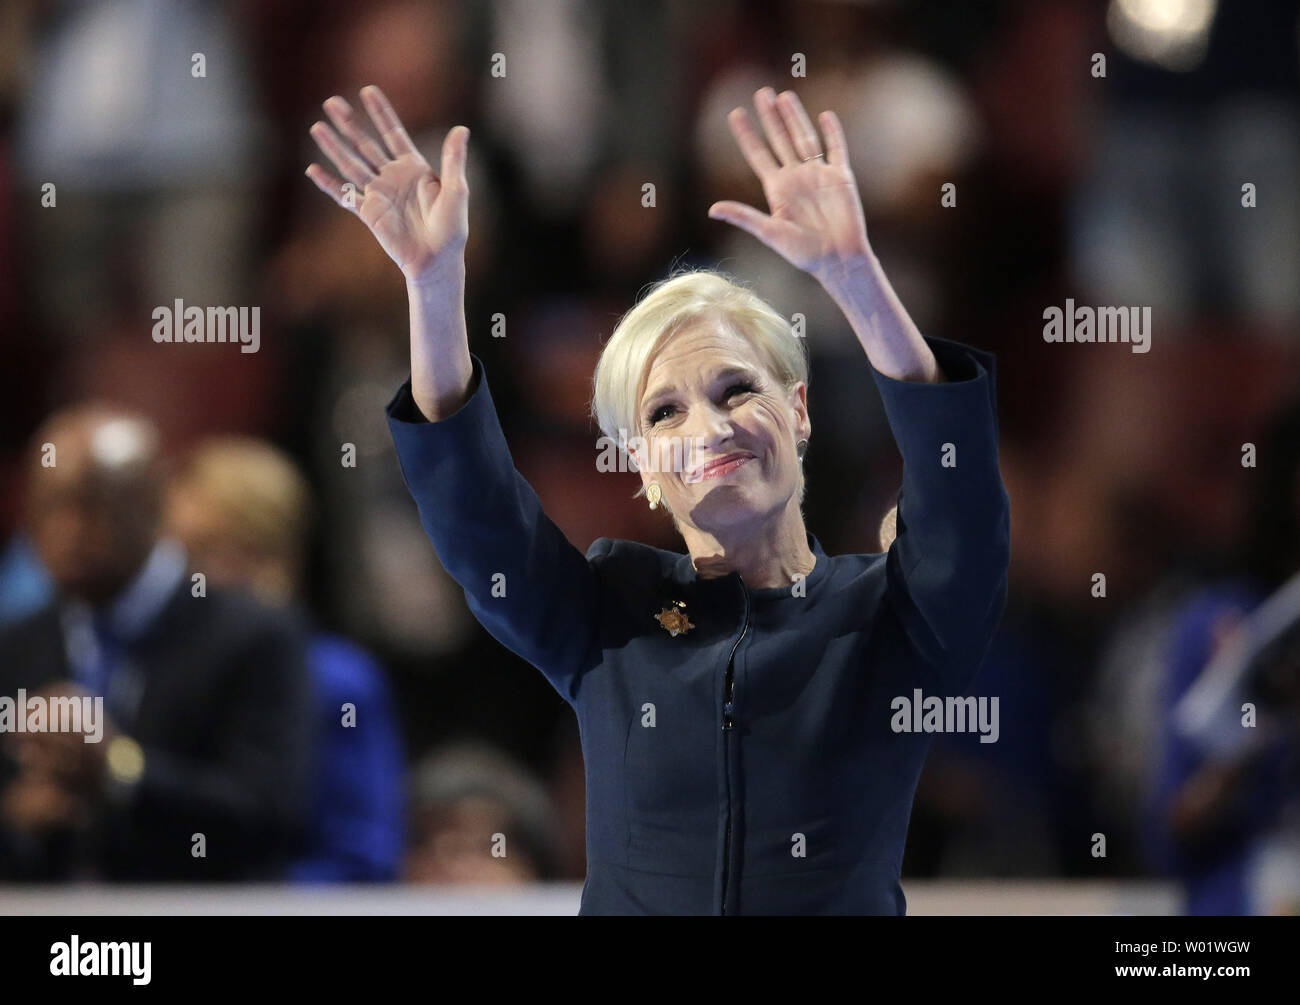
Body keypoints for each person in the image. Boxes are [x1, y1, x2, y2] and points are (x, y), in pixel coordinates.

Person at [306, 85, 1009, 914]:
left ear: (800, 409)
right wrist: (432, 288)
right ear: (641, 463)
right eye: (665, 412)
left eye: (736, 389)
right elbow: (480, 522)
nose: (707, 429)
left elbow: (958, 500)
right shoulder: (610, 614)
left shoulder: (891, 616)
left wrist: (857, 282)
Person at [0, 406, 314, 880]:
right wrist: (18, 818)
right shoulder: (16, 646)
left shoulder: (254, 635)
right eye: (47, 508)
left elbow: (271, 816)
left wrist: (120, 771)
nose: (66, 531)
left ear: (153, 503)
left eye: (90, 505)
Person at [167, 437, 405, 882]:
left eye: (204, 549)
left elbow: (359, 861)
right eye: (174, 551)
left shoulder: (339, 681)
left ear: (269, 556)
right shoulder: (153, 668)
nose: (183, 573)